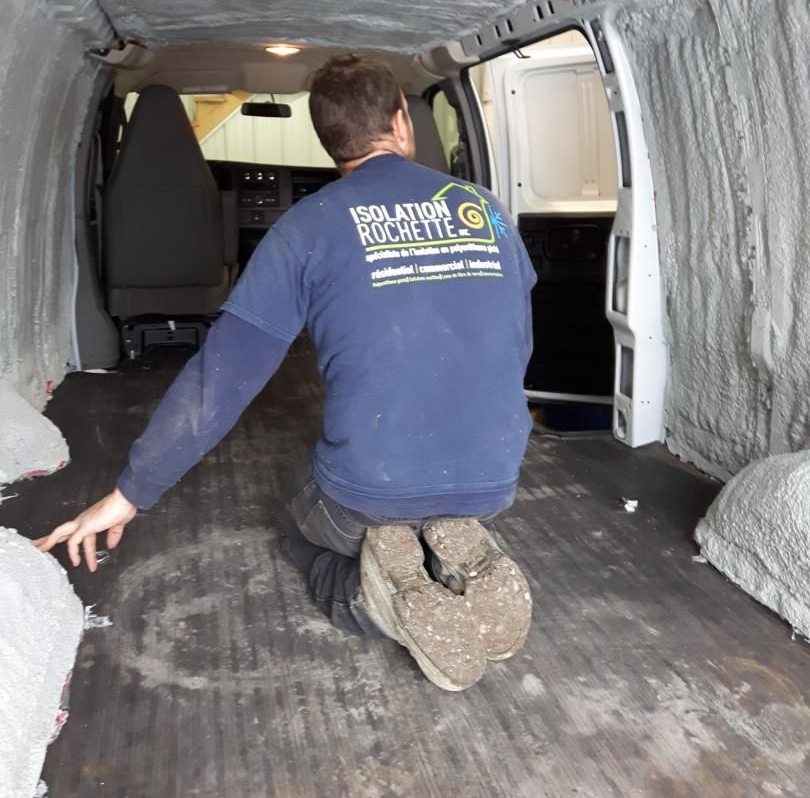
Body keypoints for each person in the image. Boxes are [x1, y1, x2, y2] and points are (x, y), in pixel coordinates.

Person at [36, 52, 537, 692]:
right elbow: (513, 343)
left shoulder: (306, 227)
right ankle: (450, 556)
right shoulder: (488, 211)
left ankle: (372, 597)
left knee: (297, 520)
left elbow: (222, 378)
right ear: (401, 122)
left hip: (366, 493)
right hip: (491, 480)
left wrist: (131, 492)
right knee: (419, 500)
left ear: (326, 141)